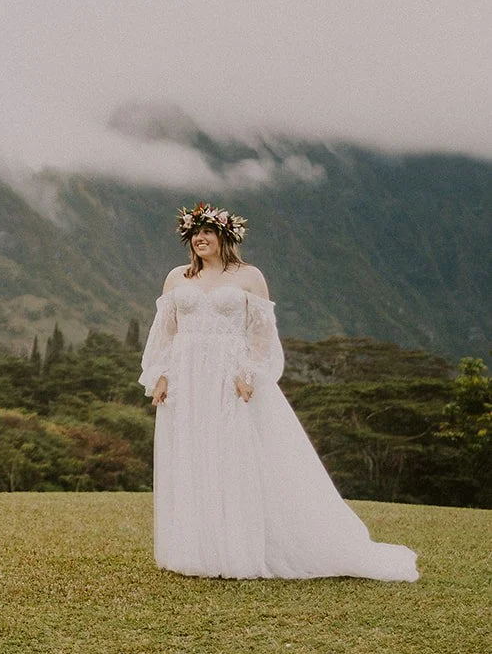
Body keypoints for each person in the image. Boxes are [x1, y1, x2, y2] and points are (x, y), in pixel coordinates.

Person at [140, 202, 418, 581]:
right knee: (193, 455)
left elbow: (262, 334)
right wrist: (160, 374)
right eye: (194, 233)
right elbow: (166, 333)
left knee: (231, 457)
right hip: (188, 380)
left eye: (207, 232)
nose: (200, 238)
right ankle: (197, 548)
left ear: (225, 236)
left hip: (229, 379)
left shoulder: (249, 277)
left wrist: (250, 373)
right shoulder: (176, 278)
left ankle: (236, 548)